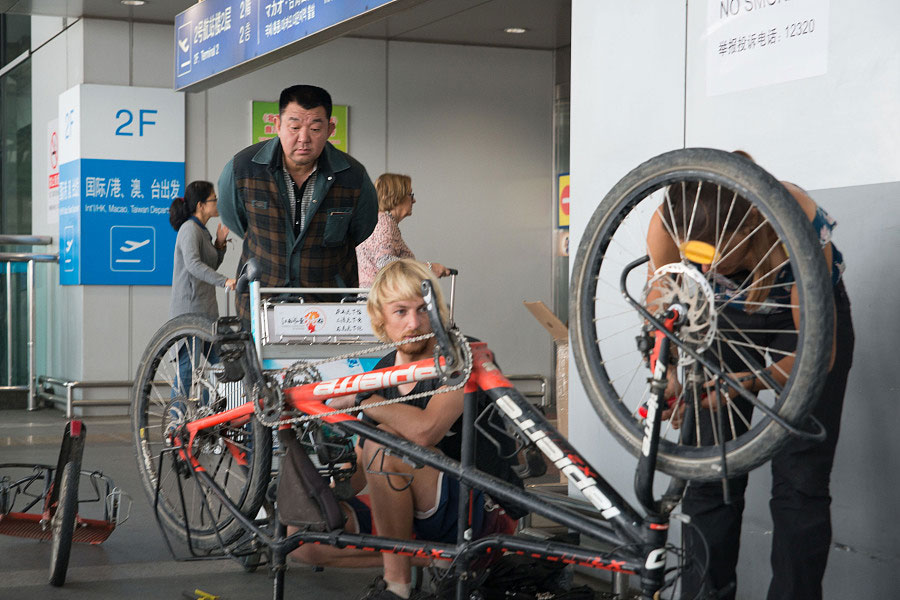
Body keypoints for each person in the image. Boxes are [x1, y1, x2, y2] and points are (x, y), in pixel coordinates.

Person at [645, 151, 853, 600]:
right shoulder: (669, 221)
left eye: (712, 253)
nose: (703, 265)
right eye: (690, 253)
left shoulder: (795, 220)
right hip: (725, 321)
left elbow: (821, 355)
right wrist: (671, 372)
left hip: (798, 325)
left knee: (800, 486)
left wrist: (751, 380)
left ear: (752, 225)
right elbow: (661, 307)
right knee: (708, 478)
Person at [290, 259, 524, 600]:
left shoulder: (459, 355)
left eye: (423, 309)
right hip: (421, 512)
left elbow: (425, 432)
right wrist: (323, 495)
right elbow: (359, 467)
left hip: (486, 513)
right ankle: (446, 563)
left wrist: (361, 401)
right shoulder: (383, 369)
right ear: (380, 318)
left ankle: (397, 588)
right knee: (303, 535)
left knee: (388, 449)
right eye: (401, 312)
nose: (414, 323)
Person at [217, 84, 378, 323]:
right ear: (277, 126)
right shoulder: (243, 169)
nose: (303, 138)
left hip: (328, 309)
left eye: (315, 128)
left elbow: (362, 228)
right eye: (294, 127)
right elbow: (234, 219)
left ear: (330, 129)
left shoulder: (353, 176)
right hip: (261, 302)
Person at [167, 180, 236, 399]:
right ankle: (176, 425)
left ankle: (208, 419)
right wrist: (224, 281)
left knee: (222, 366)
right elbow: (193, 265)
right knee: (187, 371)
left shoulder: (201, 231)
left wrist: (220, 244)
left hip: (205, 314)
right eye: (213, 199)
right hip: (190, 313)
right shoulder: (189, 229)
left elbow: (209, 265)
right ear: (200, 205)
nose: (217, 203)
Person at [356, 173, 451, 287]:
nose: (414, 200)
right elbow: (385, 262)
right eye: (410, 195)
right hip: (379, 300)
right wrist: (428, 268)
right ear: (396, 196)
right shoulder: (384, 222)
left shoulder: (381, 221)